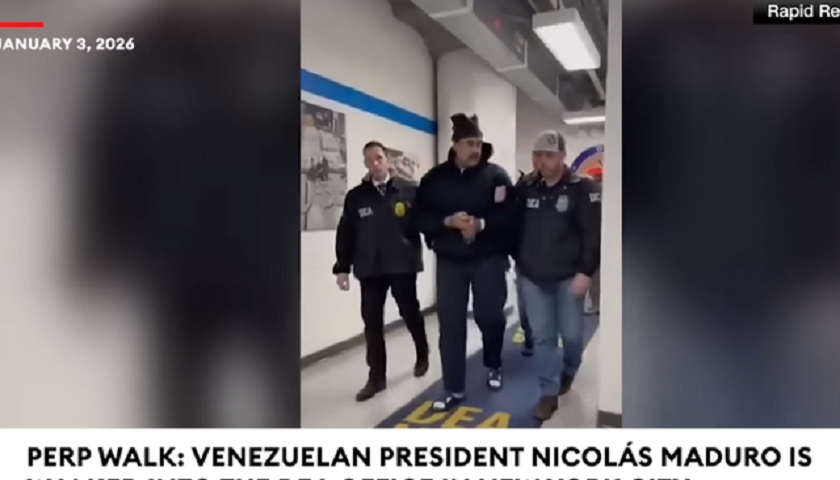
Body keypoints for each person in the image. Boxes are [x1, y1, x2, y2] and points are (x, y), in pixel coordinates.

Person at [414, 114, 517, 411]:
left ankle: (494, 364)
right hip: (450, 261)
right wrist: (446, 222)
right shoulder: (434, 179)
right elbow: (419, 216)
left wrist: (481, 225)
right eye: (470, 144)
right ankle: (453, 388)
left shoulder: (496, 176)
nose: (475, 149)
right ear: (455, 145)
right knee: (451, 326)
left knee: (490, 316)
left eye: (479, 144)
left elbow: (511, 216)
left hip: (489, 258)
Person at [333, 141, 430, 402]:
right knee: (372, 322)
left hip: (402, 265)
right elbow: (346, 233)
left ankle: (422, 352)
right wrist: (342, 267)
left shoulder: (409, 190)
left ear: (387, 159)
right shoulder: (356, 197)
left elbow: (426, 222)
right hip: (370, 268)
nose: (375, 164)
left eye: (379, 158)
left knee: (410, 313)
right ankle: (376, 378)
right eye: (370, 160)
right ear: (365, 164)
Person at [515, 131, 601, 421]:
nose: (542, 161)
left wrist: (586, 272)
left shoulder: (583, 188)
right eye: (538, 155)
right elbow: (511, 224)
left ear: (563, 156)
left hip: (569, 277)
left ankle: (570, 368)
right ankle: (548, 392)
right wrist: (519, 262)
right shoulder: (526, 187)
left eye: (549, 155)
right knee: (543, 337)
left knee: (572, 335)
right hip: (533, 276)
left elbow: (592, 234)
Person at [584, 167, 603, 315]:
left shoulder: (590, 191)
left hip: (593, 236)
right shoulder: (607, 191)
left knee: (594, 273)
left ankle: (596, 303)